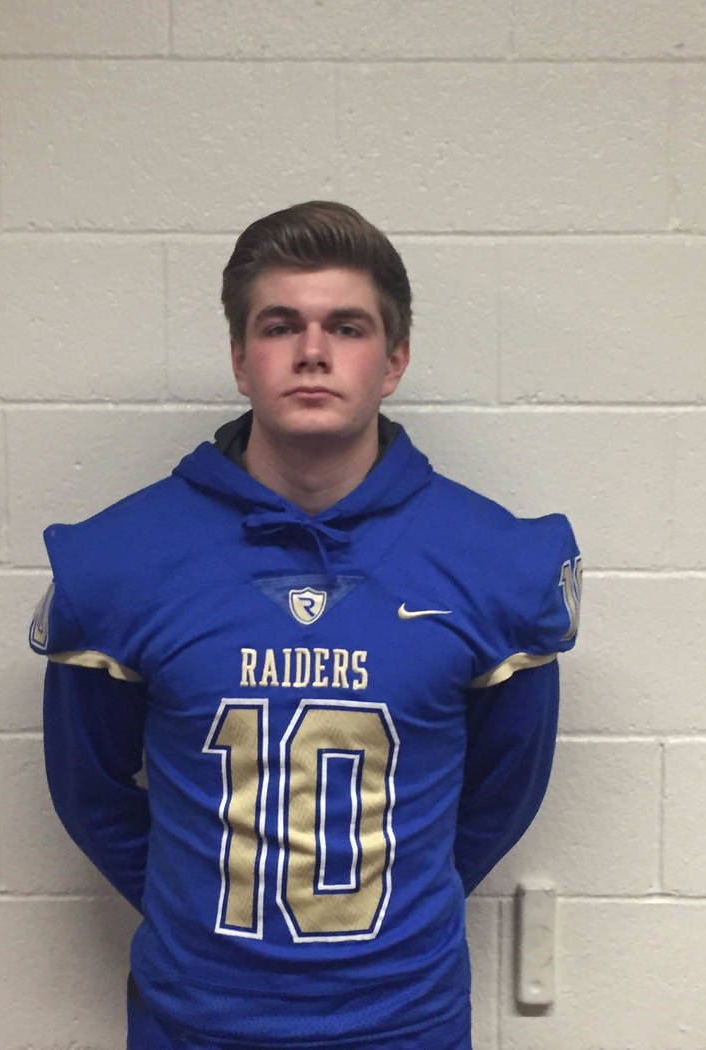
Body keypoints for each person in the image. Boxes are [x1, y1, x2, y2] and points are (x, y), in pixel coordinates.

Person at [30, 201, 581, 1050]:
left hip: (404, 1023)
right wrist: (198, 914)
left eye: (347, 327)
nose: (313, 351)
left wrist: (391, 914)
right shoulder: (125, 558)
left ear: (393, 360)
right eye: (280, 325)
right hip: (195, 1022)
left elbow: (502, 793)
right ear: (240, 359)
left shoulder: (490, 560)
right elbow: (90, 793)